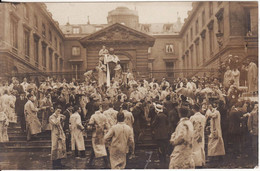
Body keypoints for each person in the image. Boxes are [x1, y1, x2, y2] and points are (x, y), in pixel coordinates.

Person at [190, 104, 206, 168]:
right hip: (201, 133)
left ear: (193, 109)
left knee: (195, 148)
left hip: (195, 134)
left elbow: (191, 126)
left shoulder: (192, 117)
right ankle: (201, 161)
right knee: (201, 147)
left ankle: (196, 162)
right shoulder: (203, 117)